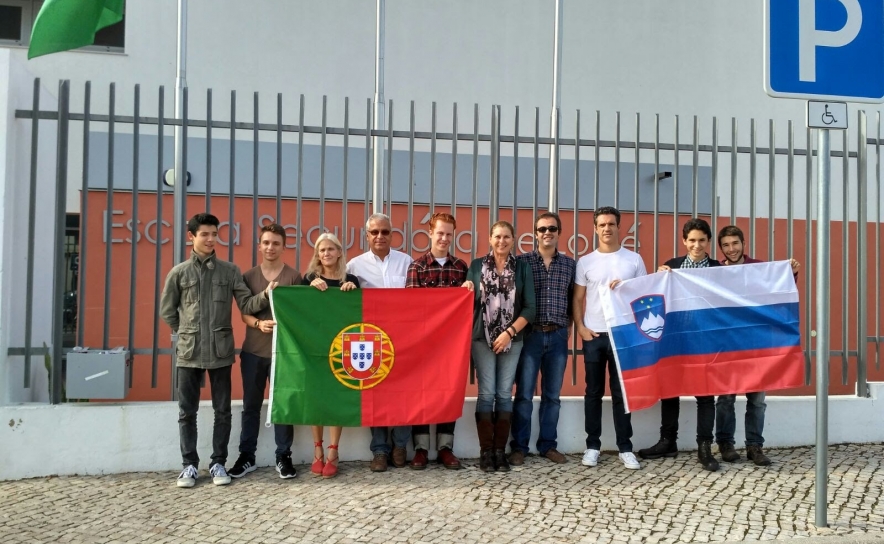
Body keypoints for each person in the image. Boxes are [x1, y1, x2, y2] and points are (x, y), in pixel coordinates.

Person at [160, 213, 276, 488]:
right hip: (189, 353)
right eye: (205, 234)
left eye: (214, 234)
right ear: (192, 236)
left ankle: (217, 463)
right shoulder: (179, 273)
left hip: (221, 352)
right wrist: (187, 331)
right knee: (186, 411)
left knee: (222, 410)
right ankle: (189, 465)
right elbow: (168, 312)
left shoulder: (229, 271)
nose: (211, 239)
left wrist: (267, 293)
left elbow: (246, 305)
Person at [638, 217, 721, 472]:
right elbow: (651, 295)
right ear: (684, 241)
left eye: (702, 240)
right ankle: (668, 441)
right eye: (692, 240)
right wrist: (658, 277)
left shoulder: (719, 269)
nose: (697, 245)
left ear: (708, 242)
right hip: (675, 337)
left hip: (705, 339)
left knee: (705, 394)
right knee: (670, 389)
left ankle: (705, 447)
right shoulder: (671, 266)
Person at [714, 225, 801, 467]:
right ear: (721, 248)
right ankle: (725, 444)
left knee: (757, 400)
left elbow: (779, 288)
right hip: (727, 345)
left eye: (735, 243)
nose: (732, 249)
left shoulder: (760, 268)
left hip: (756, 345)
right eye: (726, 245)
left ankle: (754, 446)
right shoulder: (714, 272)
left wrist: (790, 272)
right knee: (725, 399)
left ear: (743, 243)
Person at [573, 206, 645, 470]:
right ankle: (592, 446)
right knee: (592, 392)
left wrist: (627, 287)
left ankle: (625, 447)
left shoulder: (634, 260)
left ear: (619, 227)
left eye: (611, 224)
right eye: (601, 224)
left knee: (620, 393)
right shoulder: (585, 262)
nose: (606, 228)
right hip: (593, 334)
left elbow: (643, 296)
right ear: (595, 228)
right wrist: (580, 327)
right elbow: (578, 298)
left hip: (622, 335)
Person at [229, 224, 302, 480]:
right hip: (253, 352)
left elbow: (300, 315)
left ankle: (284, 456)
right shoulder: (248, 276)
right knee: (250, 406)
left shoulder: (294, 277)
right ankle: (246, 456)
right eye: (266, 243)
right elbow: (244, 313)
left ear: (284, 247)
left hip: (283, 355)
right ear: (259, 246)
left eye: (276, 243)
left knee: (282, 406)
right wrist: (259, 323)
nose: (271, 247)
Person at [463, 220, 536, 472]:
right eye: (497, 236)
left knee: (504, 393)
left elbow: (530, 308)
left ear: (513, 239)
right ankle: (485, 452)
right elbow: (468, 302)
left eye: (506, 237)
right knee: (486, 393)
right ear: (490, 239)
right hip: (481, 338)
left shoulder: (523, 268)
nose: (502, 241)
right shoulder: (475, 266)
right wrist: (465, 288)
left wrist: (509, 332)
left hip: (512, 339)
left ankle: (499, 451)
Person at [347, 213, 413, 472]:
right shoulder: (354, 266)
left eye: (385, 232)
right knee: (375, 394)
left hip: (403, 339)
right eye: (374, 232)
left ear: (392, 234)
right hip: (371, 341)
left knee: (403, 393)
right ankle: (379, 451)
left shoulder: (406, 262)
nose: (380, 236)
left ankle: (400, 445)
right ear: (367, 236)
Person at [510, 212, 575, 466]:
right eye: (542, 229)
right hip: (530, 335)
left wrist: (567, 328)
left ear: (559, 232)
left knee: (552, 396)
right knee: (524, 394)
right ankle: (519, 447)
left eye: (552, 228)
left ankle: (548, 445)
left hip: (558, 336)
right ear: (535, 233)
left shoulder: (570, 265)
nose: (547, 233)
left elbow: (574, 301)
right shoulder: (522, 262)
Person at [405, 212, 469, 470]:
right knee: (420, 394)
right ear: (430, 233)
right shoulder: (417, 267)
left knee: (447, 393)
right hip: (423, 344)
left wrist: (468, 290)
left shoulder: (461, 267)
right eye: (439, 233)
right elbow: (410, 308)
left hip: (451, 345)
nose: (444, 238)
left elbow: (467, 309)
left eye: (448, 234)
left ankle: (445, 447)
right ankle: (420, 449)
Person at [302, 232, 360, 478]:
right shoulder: (309, 279)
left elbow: (359, 310)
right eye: (321, 250)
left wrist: (352, 290)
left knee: (337, 394)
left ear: (338, 252)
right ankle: (317, 449)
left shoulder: (352, 278)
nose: (325, 254)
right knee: (316, 397)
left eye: (330, 249)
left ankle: (334, 451)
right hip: (315, 347)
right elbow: (299, 310)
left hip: (341, 347)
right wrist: (310, 290)